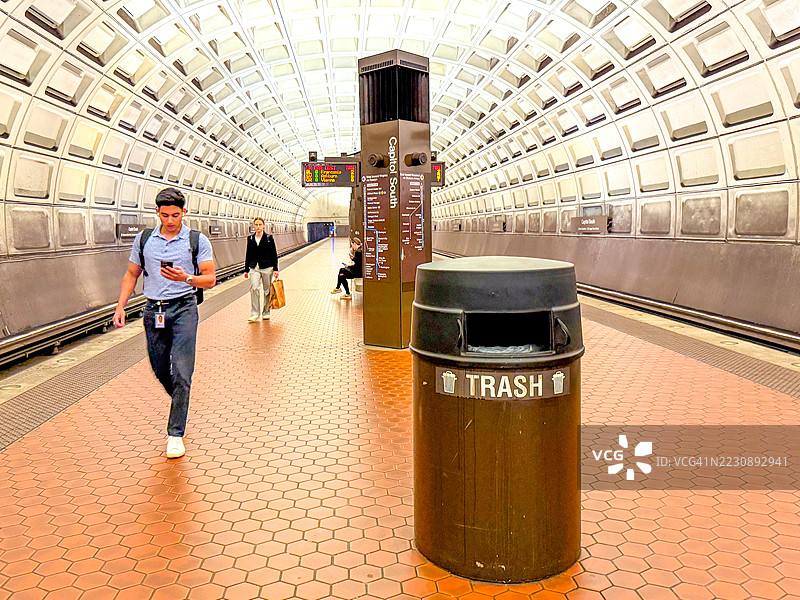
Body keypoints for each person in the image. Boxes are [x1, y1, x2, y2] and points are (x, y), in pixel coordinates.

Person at [113, 187, 215, 459]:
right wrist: (120, 306)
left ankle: (175, 434)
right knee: (159, 368)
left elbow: (210, 279)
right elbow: (132, 274)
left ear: (184, 212)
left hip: (184, 308)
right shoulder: (145, 239)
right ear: (157, 212)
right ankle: (182, 400)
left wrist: (186, 278)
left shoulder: (196, 240)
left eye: (175, 215)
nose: (170, 220)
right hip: (153, 311)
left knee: (181, 371)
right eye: (165, 215)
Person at [244, 217, 279, 322]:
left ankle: (266, 312)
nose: (258, 227)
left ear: (264, 226)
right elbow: (248, 254)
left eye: (260, 225)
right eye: (256, 225)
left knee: (267, 291)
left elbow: (274, 254)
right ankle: (255, 313)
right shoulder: (250, 238)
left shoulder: (269, 238)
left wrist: (276, 269)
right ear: (253, 226)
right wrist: (246, 269)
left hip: (267, 267)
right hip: (254, 267)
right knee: (254, 288)